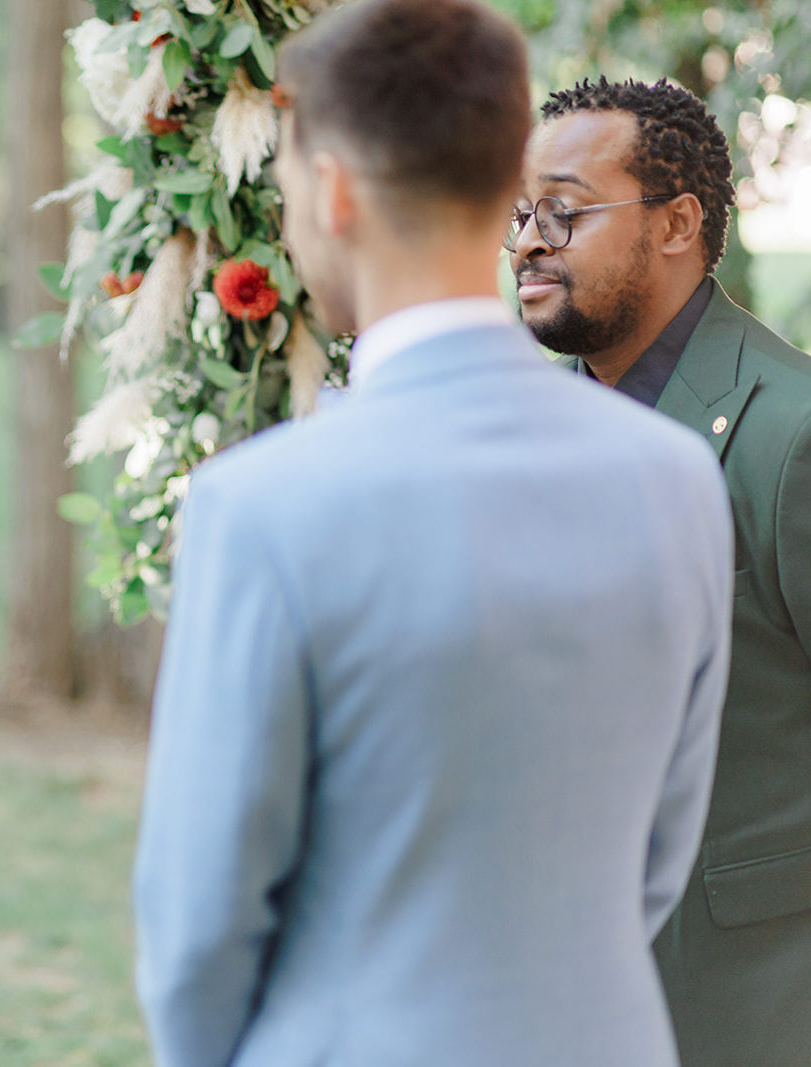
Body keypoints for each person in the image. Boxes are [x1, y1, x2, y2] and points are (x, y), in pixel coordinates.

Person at [130, 1, 737, 1064]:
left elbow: (199, 924)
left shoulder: (262, 505)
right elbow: (655, 854)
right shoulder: (677, 473)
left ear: (331, 189)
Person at [510, 78, 811, 1065]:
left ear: (677, 222)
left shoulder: (790, 434)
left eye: (561, 209)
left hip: (741, 1009)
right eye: (518, 214)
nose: (525, 240)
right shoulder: (517, 433)